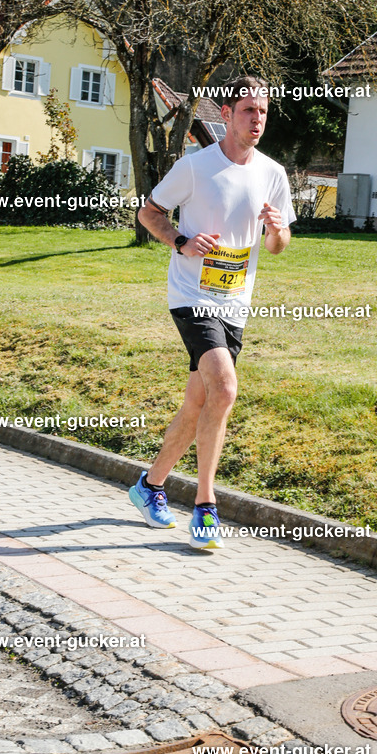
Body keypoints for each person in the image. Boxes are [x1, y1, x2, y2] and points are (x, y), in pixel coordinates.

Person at [129, 77, 296, 550]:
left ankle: (151, 485)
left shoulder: (273, 174)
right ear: (226, 113)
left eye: (263, 112)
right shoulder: (196, 166)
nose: (256, 119)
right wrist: (181, 240)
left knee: (200, 401)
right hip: (191, 294)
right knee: (224, 387)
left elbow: (278, 246)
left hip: (235, 302)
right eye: (247, 110)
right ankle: (206, 505)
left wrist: (277, 230)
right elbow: (149, 212)